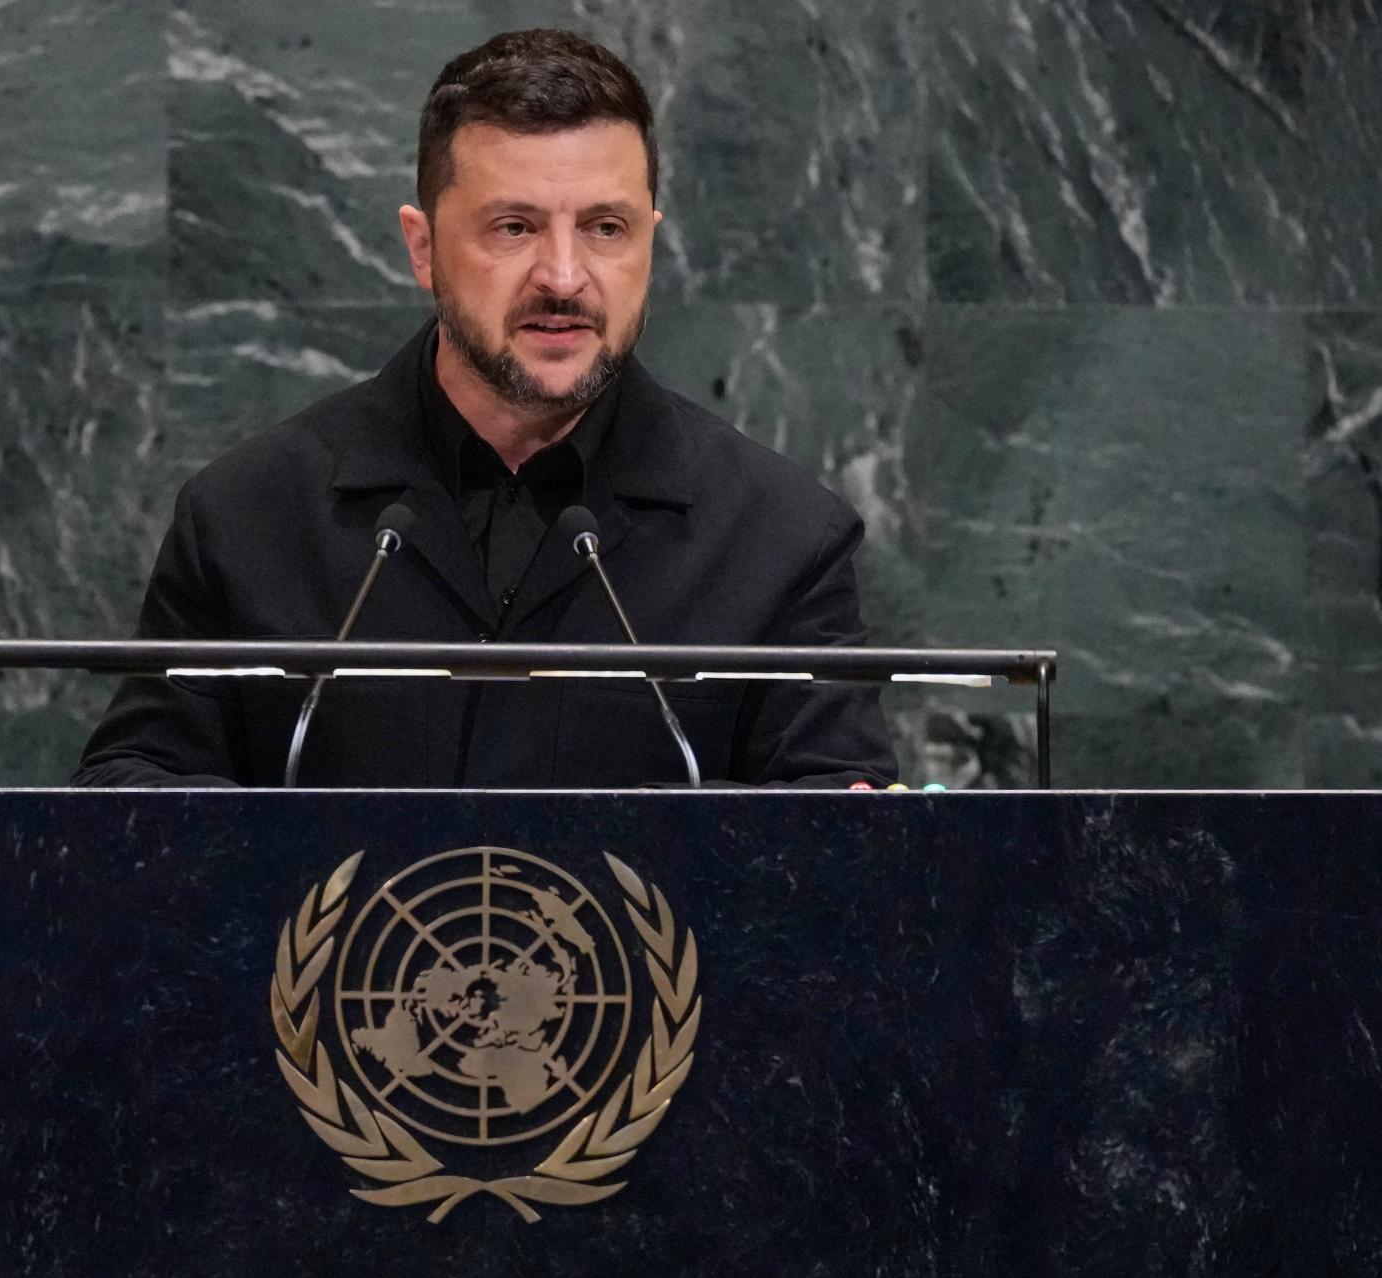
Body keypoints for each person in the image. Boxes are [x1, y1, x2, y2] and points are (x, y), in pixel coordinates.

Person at [72, 28, 896, 788]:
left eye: (606, 228)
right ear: (423, 247)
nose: (564, 277)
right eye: (513, 228)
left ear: (652, 239)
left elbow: (840, 843)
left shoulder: (783, 540)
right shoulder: (247, 516)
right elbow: (134, 799)